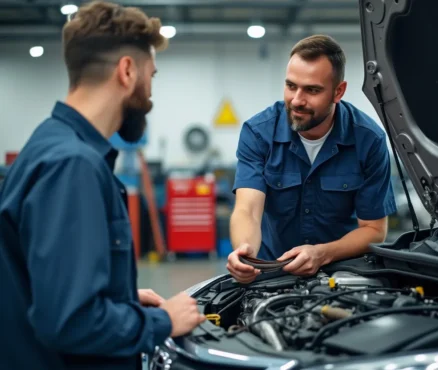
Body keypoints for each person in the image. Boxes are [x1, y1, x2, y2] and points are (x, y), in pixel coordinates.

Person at [0, 2, 205, 370]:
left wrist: (120, 297)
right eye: (151, 77)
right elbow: (70, 322)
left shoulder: (50, 143)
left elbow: (44, 285)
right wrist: (164, 321)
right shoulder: (73, 165)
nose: (150, 95)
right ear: (127, 71)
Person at [227, 35, 397, 284]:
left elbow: (374, 230)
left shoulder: (369, 140)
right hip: (271, 272)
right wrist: (245, 251)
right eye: (291, 86)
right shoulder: (258, 132)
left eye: (312, 90)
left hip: (343, 274)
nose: (297, 100)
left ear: (338, 91)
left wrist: (322, 254)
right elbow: (248, 210)